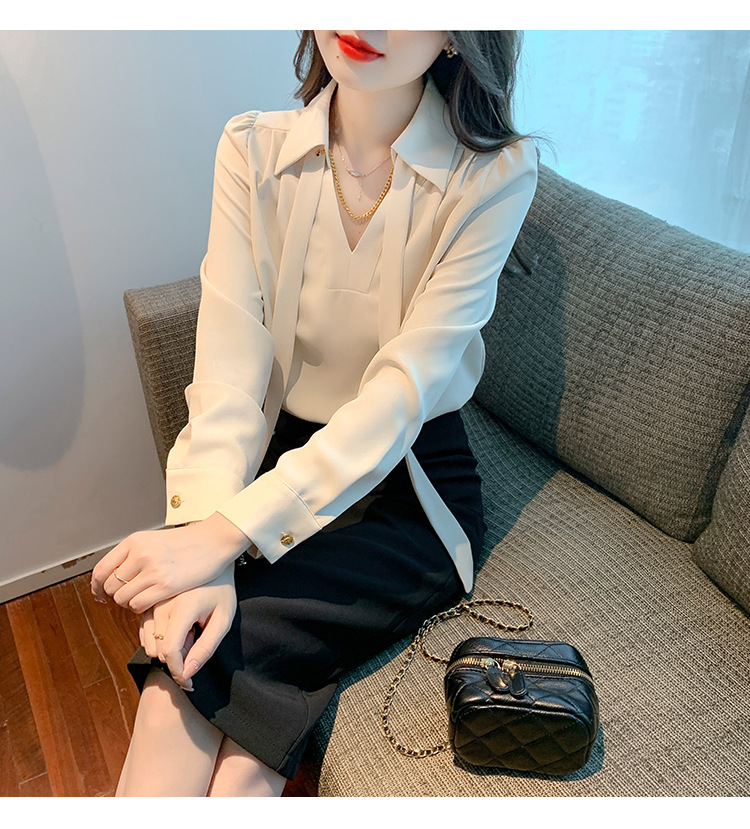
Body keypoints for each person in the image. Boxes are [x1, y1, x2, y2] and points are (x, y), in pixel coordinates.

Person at [90, 30, 539, 797]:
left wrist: (223, 538)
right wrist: (203, 534)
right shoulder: (251, 149)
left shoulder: (494, 174)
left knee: (188, 672)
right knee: (215, 706)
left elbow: (400, 397)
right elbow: (228, 374)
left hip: (411, 486)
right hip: (277, 456)